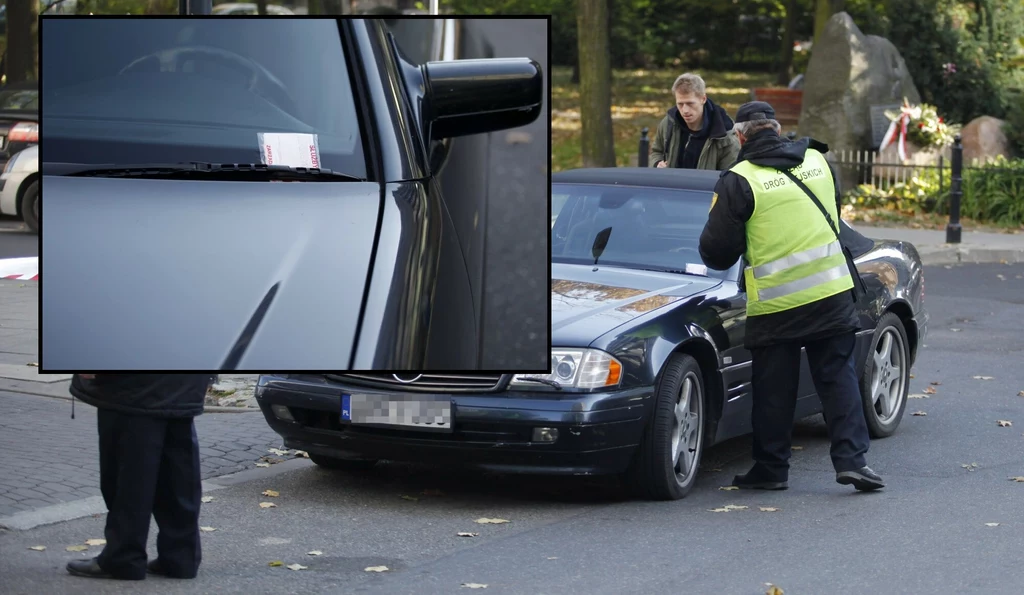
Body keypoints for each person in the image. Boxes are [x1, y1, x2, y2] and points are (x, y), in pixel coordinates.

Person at [697, 101, 884, 492]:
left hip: (777, 304)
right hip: (832, 292)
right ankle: (853, 462)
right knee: (838, 377)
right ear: (777, 129)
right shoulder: (816, 159)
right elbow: (832, 213)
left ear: (740, 135)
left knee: (773, 389)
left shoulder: (739, 179)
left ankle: (771, 469)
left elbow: (717, 251)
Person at [65, 374, 215, 580]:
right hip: (186, 376)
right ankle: (180, 557)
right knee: (177, 470)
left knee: (129, 474)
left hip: (134, 379)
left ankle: (123, 557)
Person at [649, 73, 740, 171]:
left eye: (690, 103)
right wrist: (657, 164)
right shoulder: (668, 123)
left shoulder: (725, 135)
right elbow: (656, 152)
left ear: (703, 99)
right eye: (680, 104)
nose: (685, 110)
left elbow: (729, 178)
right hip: (672, 185)